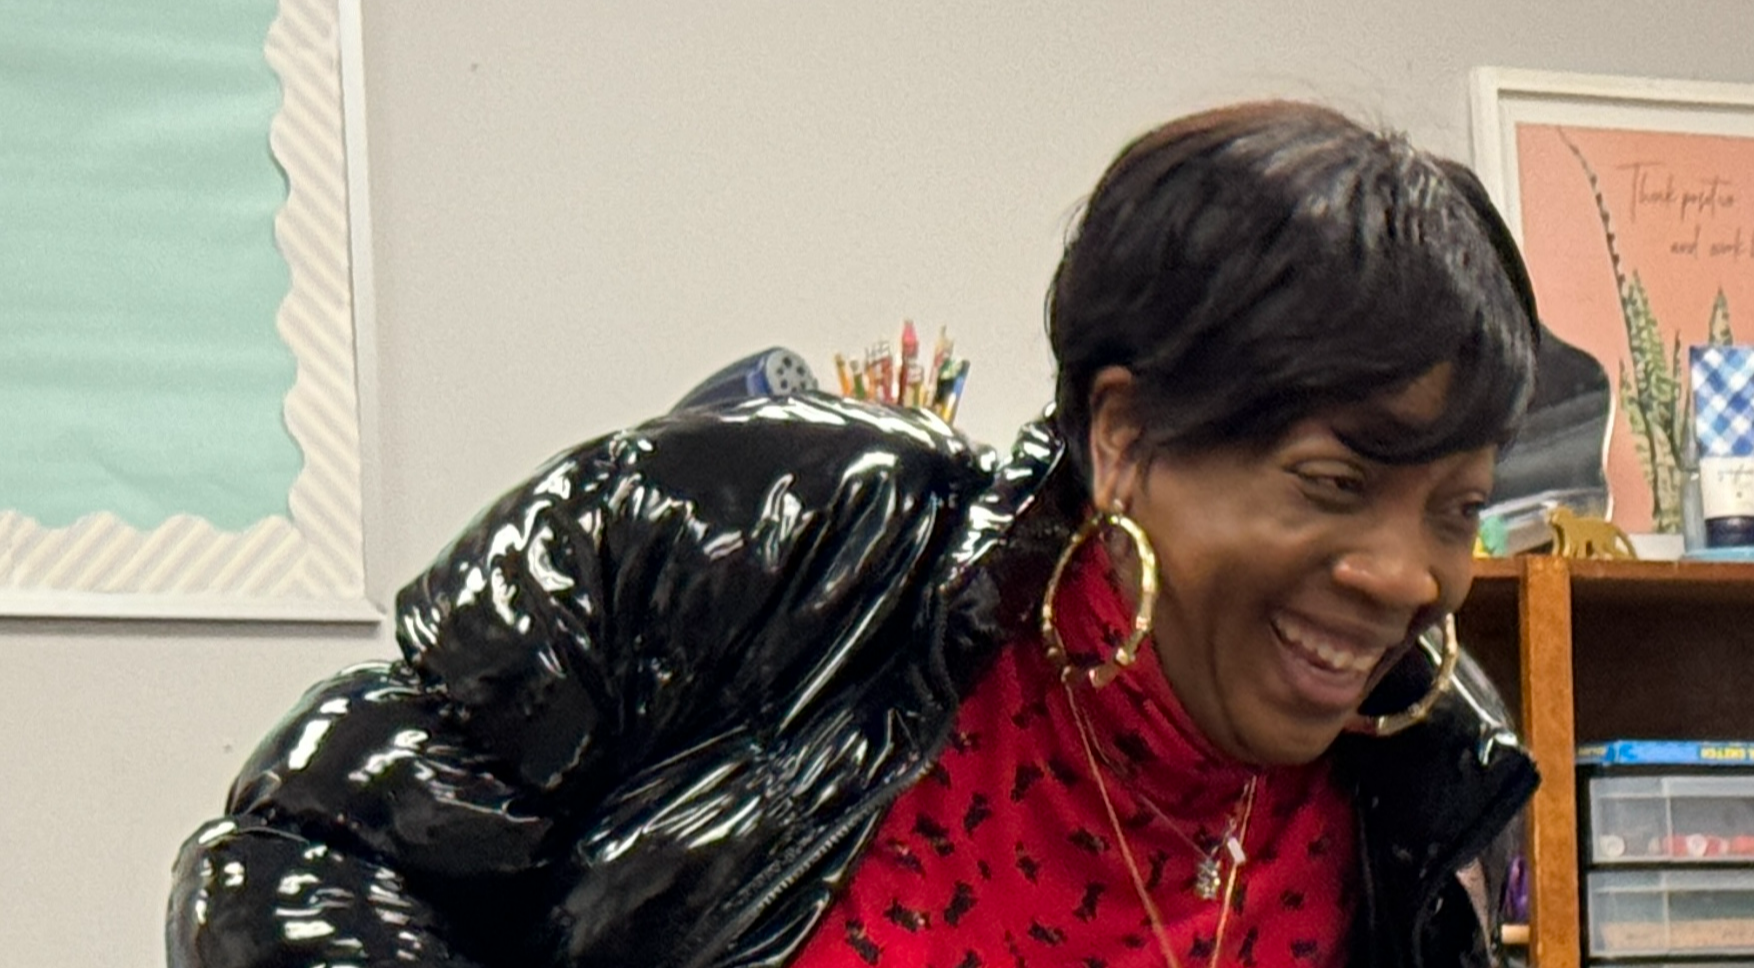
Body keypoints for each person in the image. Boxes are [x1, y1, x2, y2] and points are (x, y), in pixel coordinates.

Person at [167, 101, 1544, 968]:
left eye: (1456, 506)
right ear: (1125, 438)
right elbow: (306, 858)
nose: (1406, 575)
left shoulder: (1427, 769)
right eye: (1330, 481)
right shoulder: (779, 539)